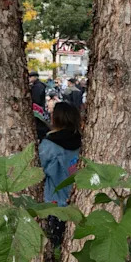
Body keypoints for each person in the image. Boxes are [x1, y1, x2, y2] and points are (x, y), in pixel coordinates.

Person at [40, 101, 82, 248]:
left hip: (54, 202)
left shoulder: (49, 144)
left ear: (55, 119)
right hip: (77, 200)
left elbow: (39, 169)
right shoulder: (83, 141)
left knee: (53, 243)